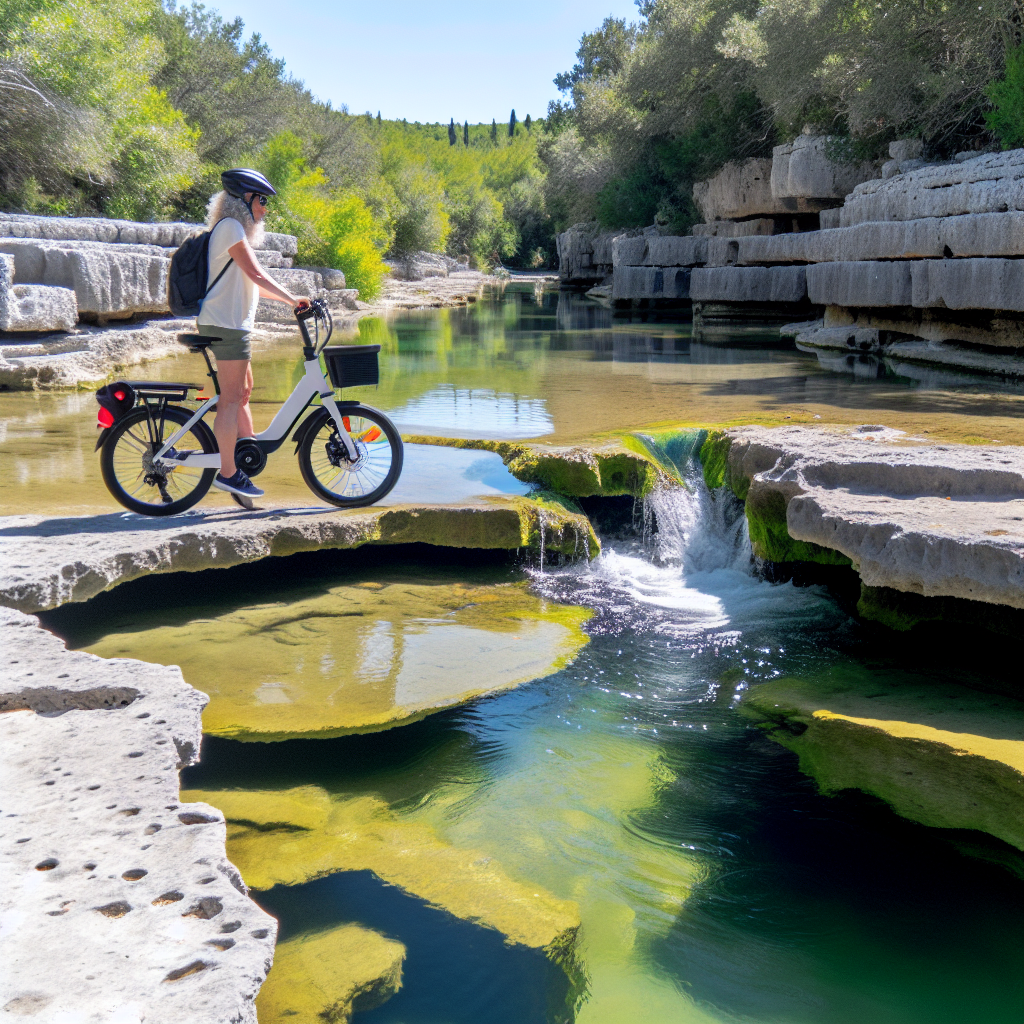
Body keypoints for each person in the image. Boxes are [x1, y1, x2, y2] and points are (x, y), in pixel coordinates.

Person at [196, 168, 310, 499]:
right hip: (225, 324)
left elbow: (254, 281)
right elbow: (256, 274)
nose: (265, 208)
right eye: (261, 201)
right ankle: (228, 473)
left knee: (243, 392)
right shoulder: (231, 227)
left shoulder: (233, 230)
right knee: (231, 400)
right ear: (245, 199)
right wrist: (294, 300)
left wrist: (291, 300)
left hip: (232, 324)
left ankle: (246, 453)